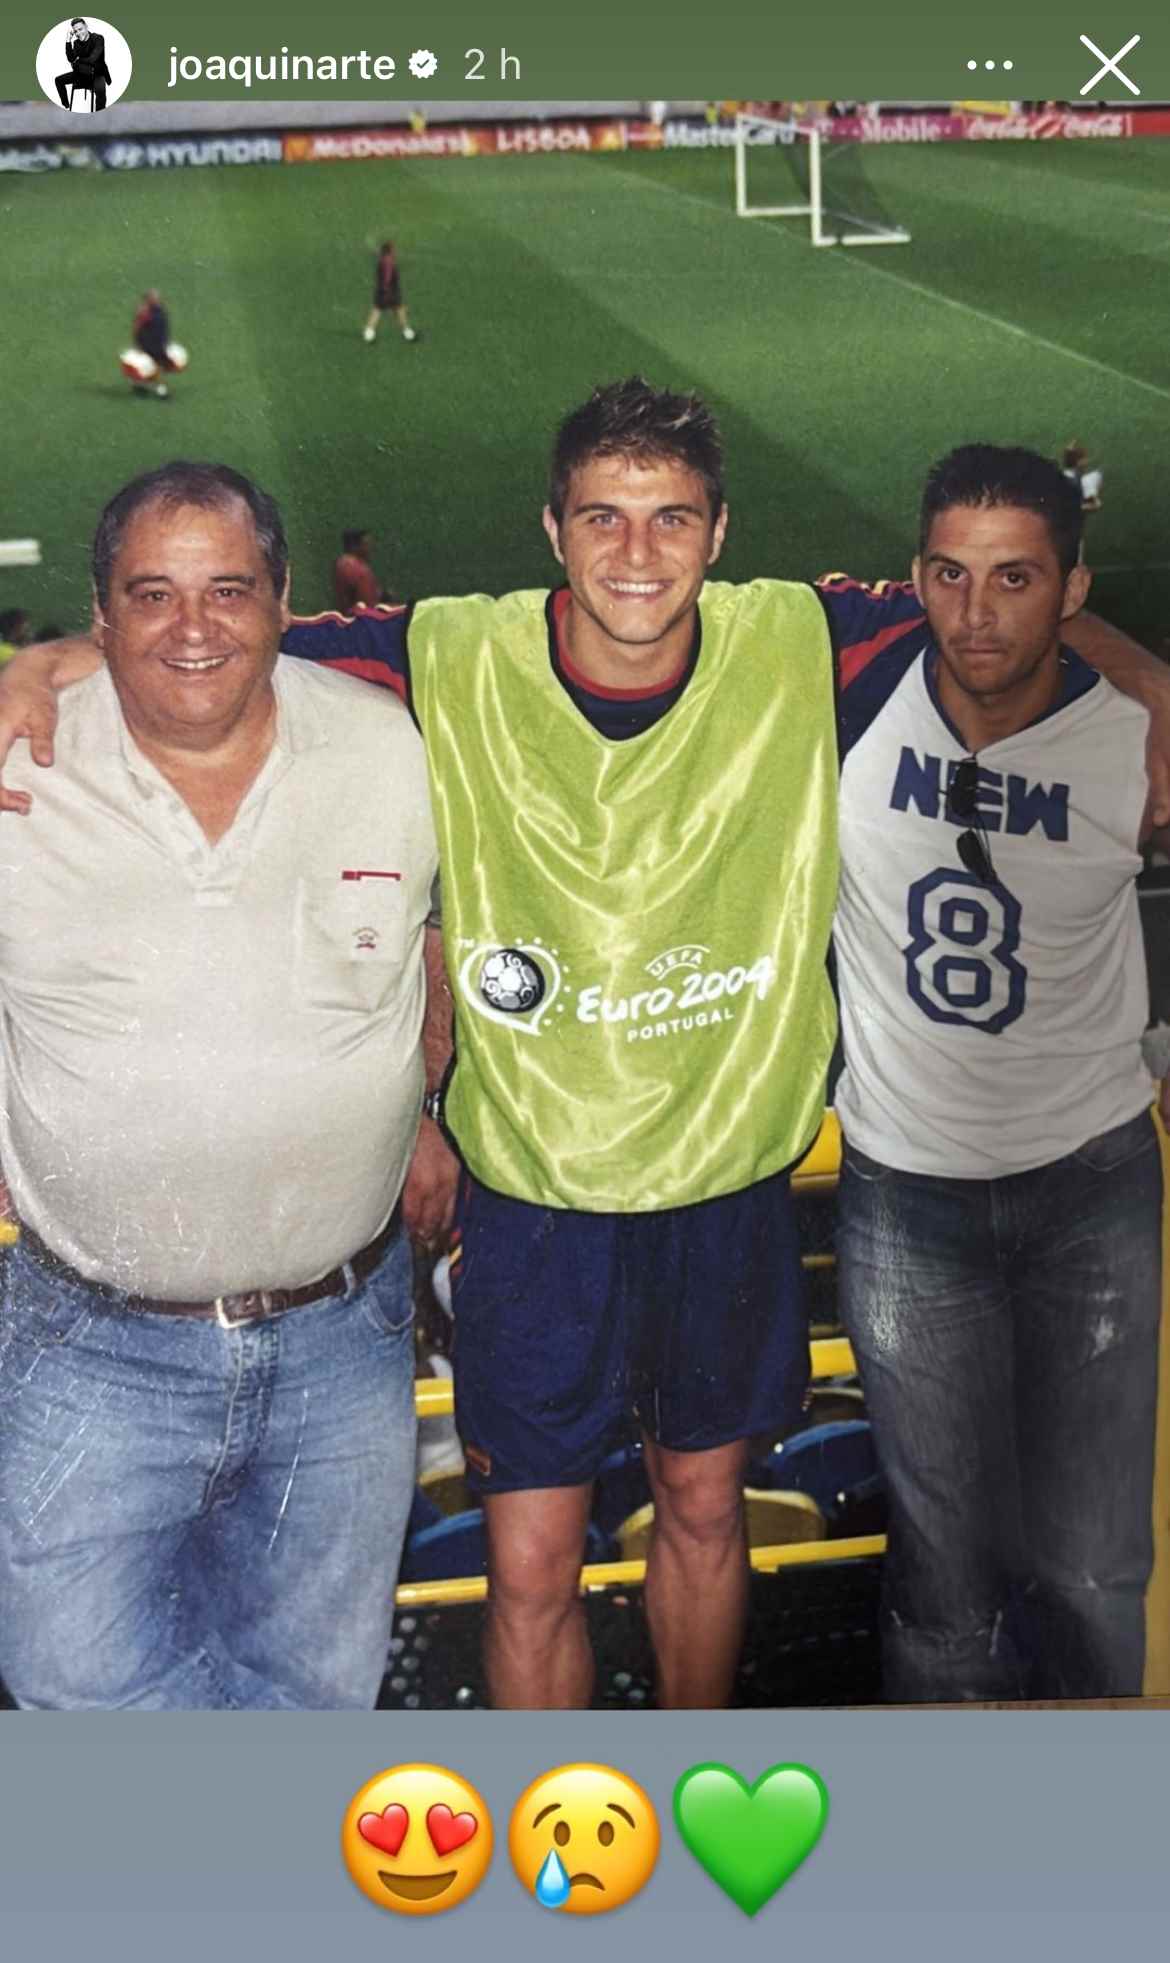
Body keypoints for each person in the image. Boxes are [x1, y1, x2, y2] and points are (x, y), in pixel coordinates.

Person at [2, 384, 1169, 1712]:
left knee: (703, 1512)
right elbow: (223, 635)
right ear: (548, 529)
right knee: (533, 1561)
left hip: (723, 1184)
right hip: (536, 1196)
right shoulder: (444, 654)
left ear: (720, 531)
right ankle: (561, 1851)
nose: (634, 552)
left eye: (669, 518)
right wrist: (54, 660)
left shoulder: (801, 639)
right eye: (602, 518)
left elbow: (1000, 617)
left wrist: (1140, 681)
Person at [0, 461, 449, 1710]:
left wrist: (419, 1110)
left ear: (282, 599)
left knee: (316, 1688)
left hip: (342, 1339)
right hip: (89, 1342)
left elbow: (434, 947)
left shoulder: (389, 751)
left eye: (226, 590)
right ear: (97, 617)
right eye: (152, 595)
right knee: (73, 1692)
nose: (193, 629)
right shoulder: (16, 761)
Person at [831, 445, 1162, 1701]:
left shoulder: (1135, 739)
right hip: (905, 1200)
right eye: (954, 576)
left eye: (1016, 577)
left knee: (1091, 1569)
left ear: (1074, 590)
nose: (979, 612)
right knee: (941, 1583)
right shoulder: (850, 693)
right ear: (913, 579)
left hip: (1093, 1191)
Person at [363, 242, 418, 345]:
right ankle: (408, 334)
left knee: (378, 310)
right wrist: (386, 290)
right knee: (399, 310)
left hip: (382, 291)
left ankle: (368, 334)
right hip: (390, 292)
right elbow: (387, 277)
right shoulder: (388, 262)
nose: (395, 252)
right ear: (389, 251)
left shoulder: (383, 260)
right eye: (393, 250)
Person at [55, 17, 111, 112]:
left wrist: (78, 60)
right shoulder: (76, 43)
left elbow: (93, 59)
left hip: (97, 72)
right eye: (76, 31)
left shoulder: (98, 38)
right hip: (82, 73)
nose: (78, 33)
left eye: (80, 29)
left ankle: (99, 116)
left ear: (86, 27)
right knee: (58, 80)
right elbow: (70, 59)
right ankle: (66, 106)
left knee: (101, 92)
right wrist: (68, 40)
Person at [129, 291, 178, 401]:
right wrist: (137, 344)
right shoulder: (145, 312)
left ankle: (139, 385)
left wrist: (166, 340)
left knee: (153, 366)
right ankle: (161, 391)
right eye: (154, 298)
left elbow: (163, 327)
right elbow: (136, 328)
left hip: (159, 343)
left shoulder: (161, 309)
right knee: (154, 367)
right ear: (148, 300)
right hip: (149, 344)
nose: (157, 300)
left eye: (157, 298)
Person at [333, 529, 383, 611]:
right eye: (366, 544)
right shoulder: (359, 569)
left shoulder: (340, 563)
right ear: (354, 546)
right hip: (363, 619)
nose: (370, 548)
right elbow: (368, 603)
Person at [1060, 441, 1103, 515]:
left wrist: (1069, 449)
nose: (1087, 461)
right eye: (1084, 459)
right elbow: (1095, 505)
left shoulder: (1066, 474)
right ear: (1078, 462)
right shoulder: (1081, 481)